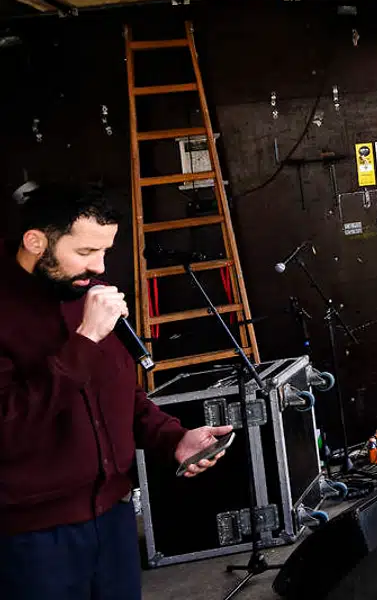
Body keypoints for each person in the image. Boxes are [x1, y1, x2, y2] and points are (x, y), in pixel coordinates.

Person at [0, 186, 233, 599]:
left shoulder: (83, 290)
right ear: (36, 241)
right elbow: (9, 426)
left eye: (105, 251)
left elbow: (119, 393)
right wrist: (86, 338)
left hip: (113, 520)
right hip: (31, 536)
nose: (99, 266)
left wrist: (172, 438)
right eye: (87, 251)